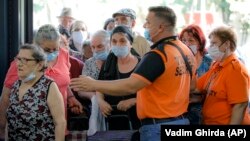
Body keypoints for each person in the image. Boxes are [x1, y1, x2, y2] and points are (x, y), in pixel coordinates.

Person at [70, 6, 196, 141]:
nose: (144, 25)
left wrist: (93, 84)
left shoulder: (158, 55)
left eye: (148, 22)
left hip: (157, 128)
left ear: (160, 27)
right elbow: (192, 87)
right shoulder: (185, 51)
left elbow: (130, 86)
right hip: (181, 122)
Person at [0, 24, 83, 140]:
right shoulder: (21, 63)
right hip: (28, 130)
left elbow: (64, 81)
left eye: (55, 49)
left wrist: (70, 97)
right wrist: (2, 129)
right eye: (47, 50)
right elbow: (5, 96)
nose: (52, 52)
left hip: (58, 125)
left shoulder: (64, 55)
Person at [7, 44, 66, 140]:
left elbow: (60, 123)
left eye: (25, 60)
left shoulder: (49, 87)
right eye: (18, 59)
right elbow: (9, 124)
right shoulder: (15, 85)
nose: (19, 64)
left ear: (39, 65)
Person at [196, 26, 249, 124]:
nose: (210, 47)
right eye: (210, 44)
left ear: (226, 44)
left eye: (214, 43)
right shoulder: (217, 66)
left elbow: (240, 106)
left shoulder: (236, 70)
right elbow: (197, 87)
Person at [97, 25, 141, 130]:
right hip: (113, 118)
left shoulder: (141, 64)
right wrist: (101, 101)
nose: (118, 45)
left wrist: (133, 100)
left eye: (122, 41)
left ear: (130, 44)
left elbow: (151, 93)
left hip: (137, 119)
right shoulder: (108, 64)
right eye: (114, 41)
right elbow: (99, 86)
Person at [179, 24, 213, 124]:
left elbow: (215, 88)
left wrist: (200, 97)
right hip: (182, 113)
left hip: (205, 114)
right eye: (183, 40)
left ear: (199, 43)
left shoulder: (209, 62)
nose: (186, 44)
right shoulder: (179, 62)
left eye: (191, 41)